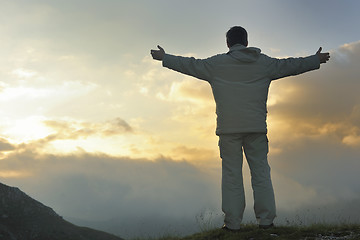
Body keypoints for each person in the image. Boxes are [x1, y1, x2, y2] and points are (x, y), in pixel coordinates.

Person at [150, 26, 330, 232]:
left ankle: (233, 224)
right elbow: (291, 65)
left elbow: (190, 64)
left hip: (229, 130)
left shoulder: (216, 64)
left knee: (231, 175)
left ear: (228, 42)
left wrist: (165, 57)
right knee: (261, 174)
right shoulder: (264, 64)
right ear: (246, 41)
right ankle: (266, 222)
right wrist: (315, 60)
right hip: (256, 129)